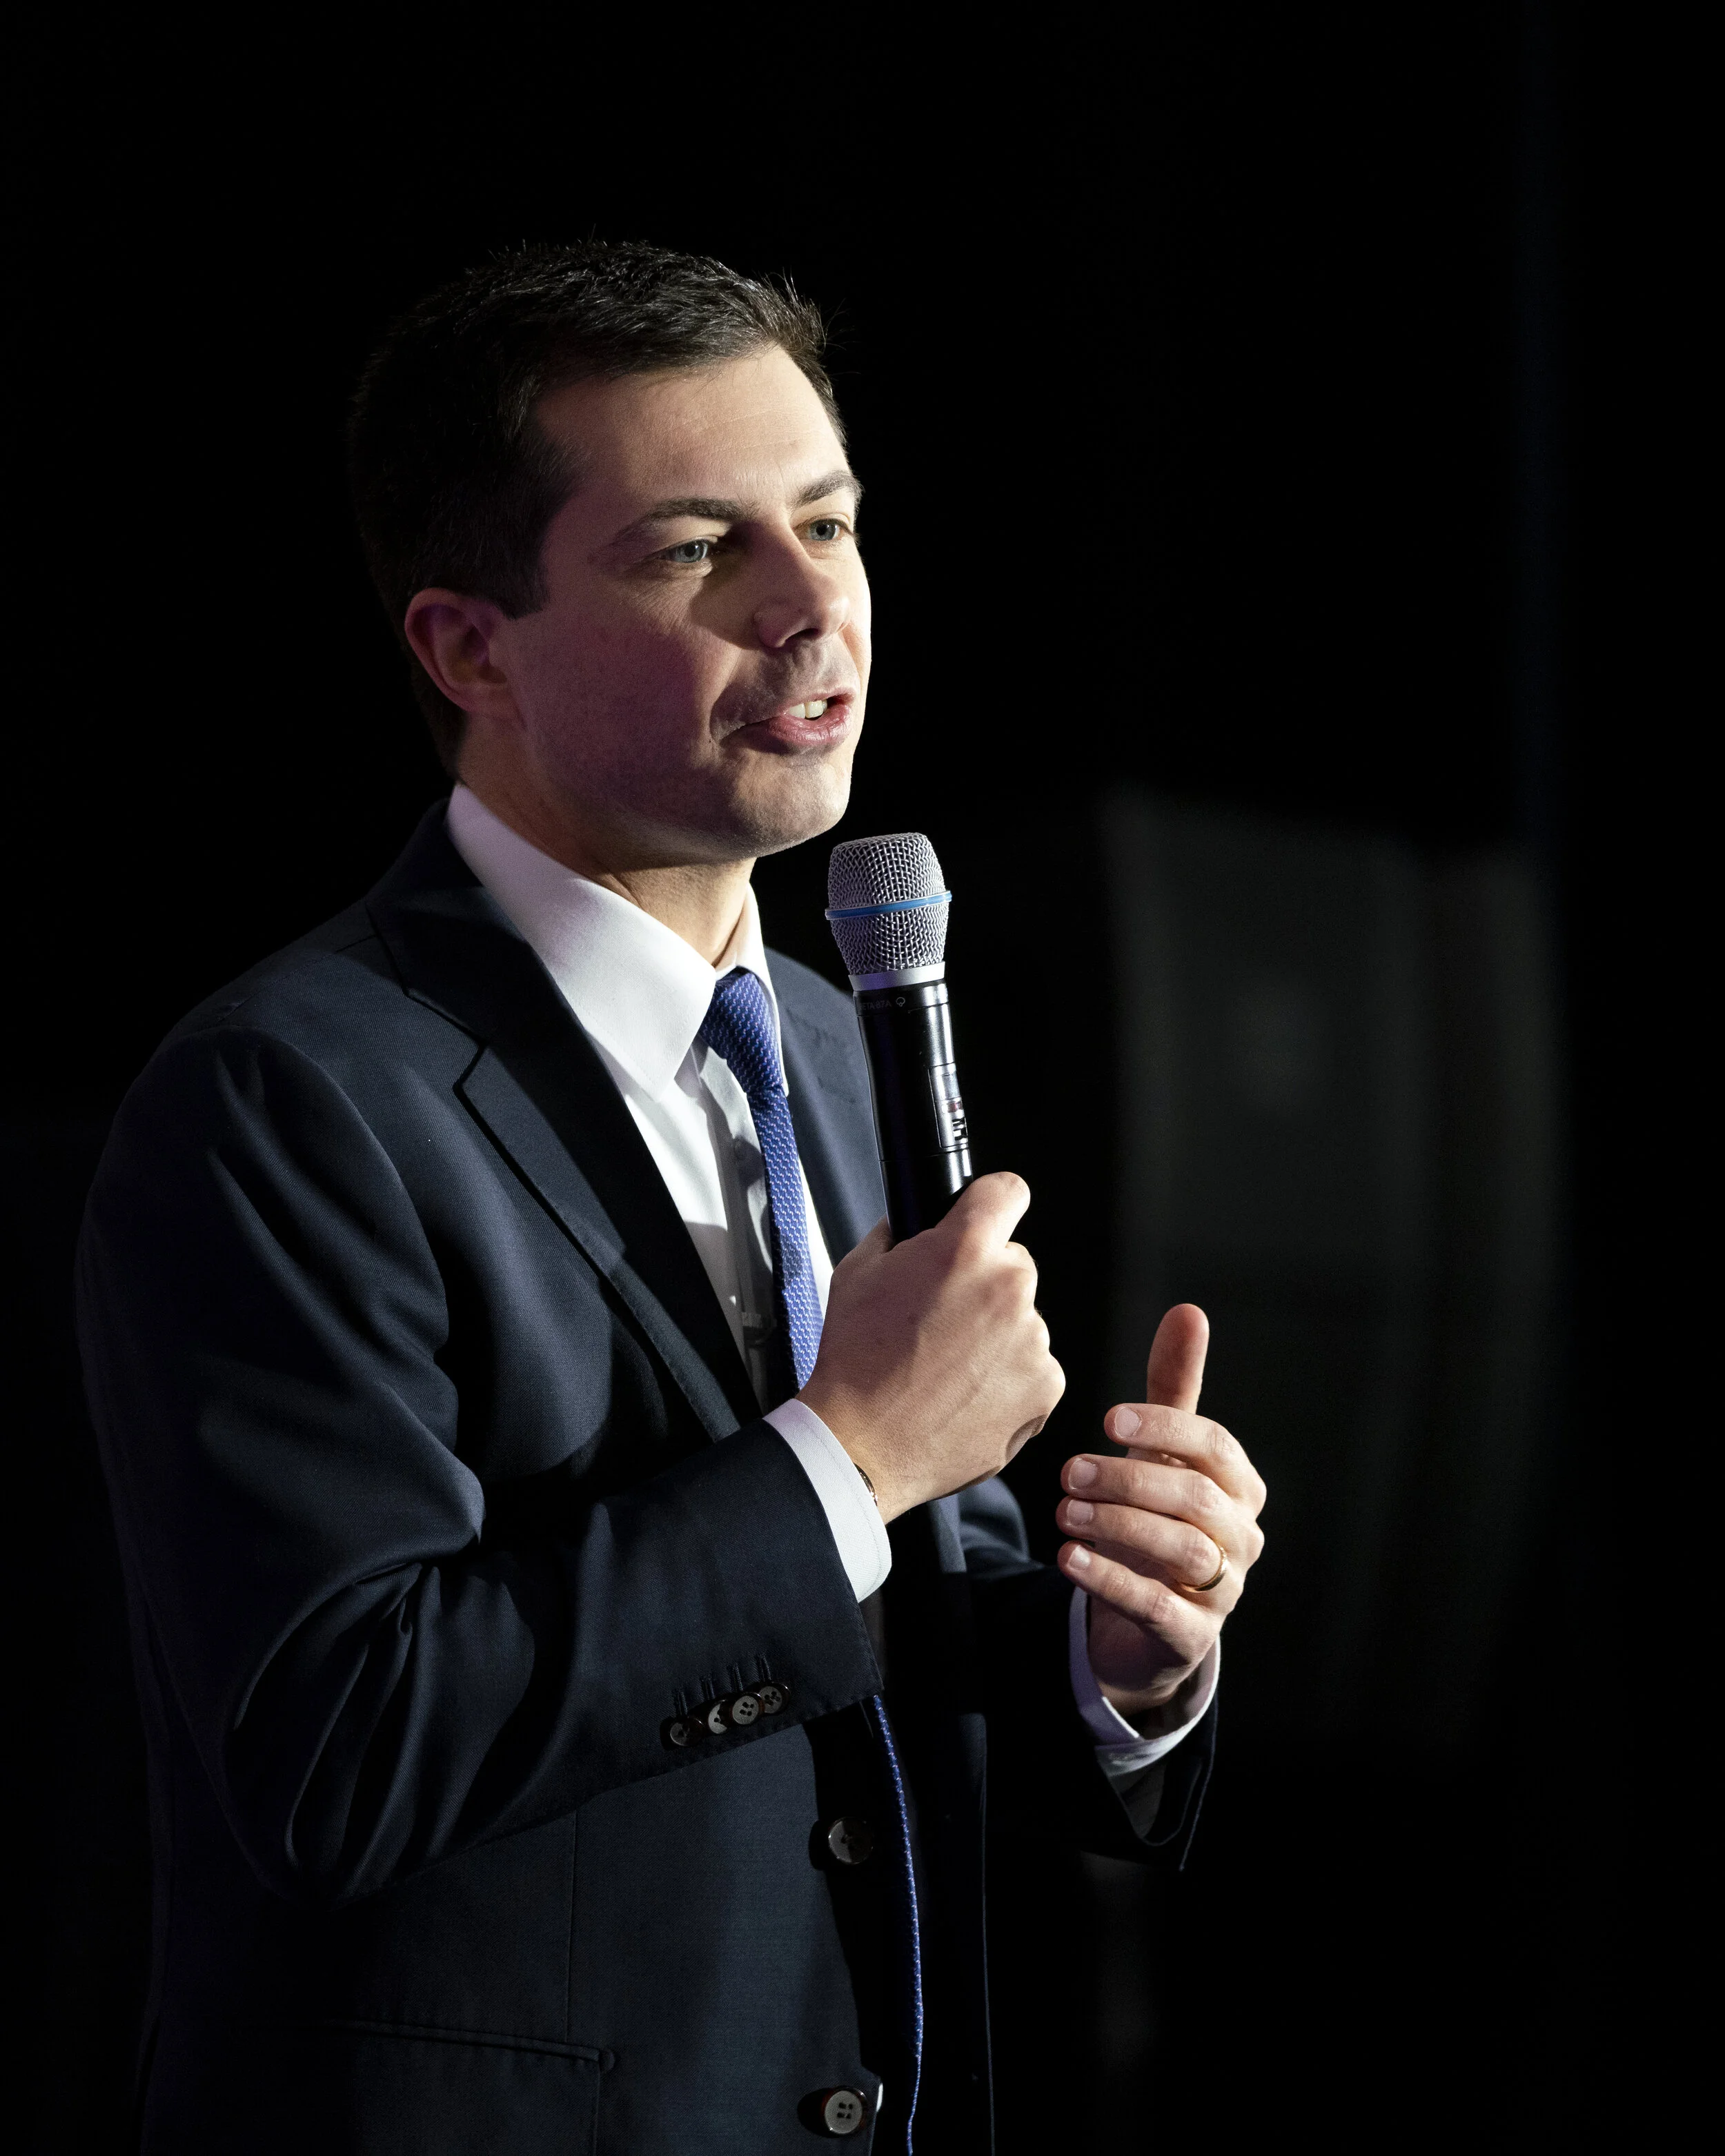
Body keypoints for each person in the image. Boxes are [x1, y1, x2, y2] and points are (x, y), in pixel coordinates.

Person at [77, 241, 1267, 2155]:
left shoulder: (836, 1039)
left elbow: (864, 1642)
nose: (812, 606)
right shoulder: (288, 1096)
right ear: (469, 648)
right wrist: (852, 1450)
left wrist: (1119, 1656)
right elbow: (340, 1749)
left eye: (830, 522)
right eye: (698, 549)